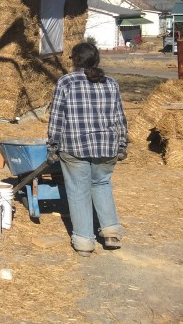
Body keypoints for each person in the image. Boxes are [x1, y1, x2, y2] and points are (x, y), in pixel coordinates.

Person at [47, 41, 128, 257]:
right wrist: (122, 144)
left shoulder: (66, 82)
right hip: (107, 145)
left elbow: (57, 119)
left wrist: (53, 145)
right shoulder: (111, 84)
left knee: (78, 190)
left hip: (75, 146)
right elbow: (120, 118)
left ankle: (84, 241)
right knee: (101, 183)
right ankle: (111, 233)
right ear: (96, 60)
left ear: (74, 60)